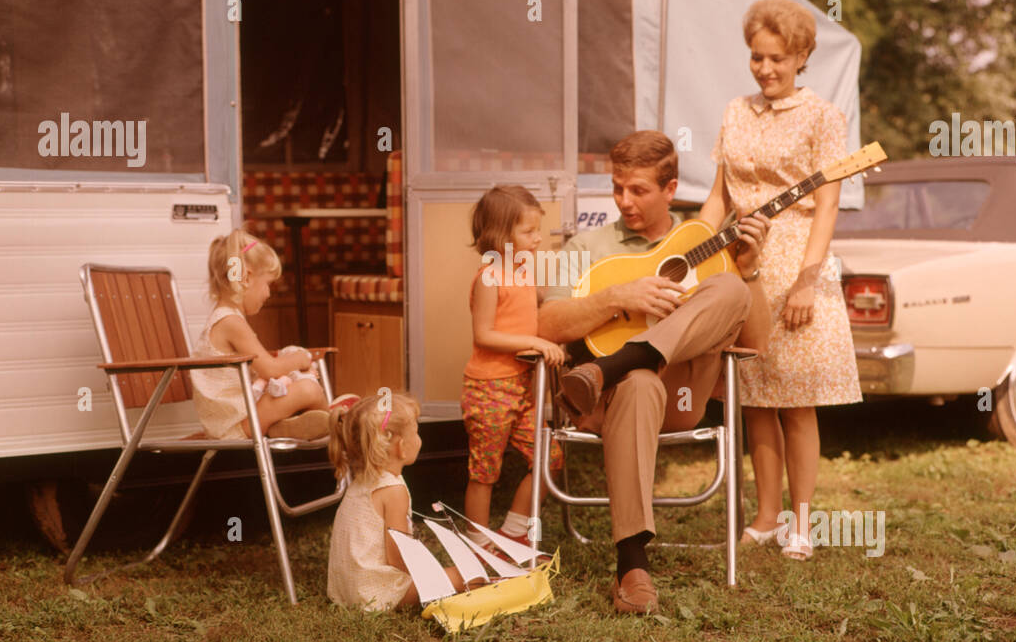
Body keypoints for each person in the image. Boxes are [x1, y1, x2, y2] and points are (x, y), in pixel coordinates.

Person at [540, 131, 771, 614]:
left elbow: (756, 343)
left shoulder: (702, 242)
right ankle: (632, 564)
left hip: (683, 395)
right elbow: (546, 323)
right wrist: (614, 298)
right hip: (611, 403)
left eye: (638, 190)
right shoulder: (590, 244)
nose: (624, 201)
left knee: (730, 288)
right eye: (617, 188)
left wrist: (749, 268)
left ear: (670, 190)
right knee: (641, 382)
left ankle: (616, 363)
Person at [699, 0, 861, 561]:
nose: (765, 69)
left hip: (795, 261)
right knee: (754, 396)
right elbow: (719, 196)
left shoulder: (822, 116)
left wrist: (805, 283)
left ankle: (802, 521)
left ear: (801, 56)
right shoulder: (735, 111)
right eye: (756, 58)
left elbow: (827, 206)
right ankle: (766, 516)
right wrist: (690, 251)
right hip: (741, 266)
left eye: (776, 59)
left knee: (797, 401)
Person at [461, 186, 567, 552]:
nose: (538, 239)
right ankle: (477, 545)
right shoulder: (490, 277)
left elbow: (536, 314)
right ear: (501, 236)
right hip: (489, 387)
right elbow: (484, 334)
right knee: (484, 472)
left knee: (550, 458)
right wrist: (534, 343)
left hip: (523, 387)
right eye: (529, 232)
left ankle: (513, 531)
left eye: (539, 230)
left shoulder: (523, 273)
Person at [327, 392, 479, 610]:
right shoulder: (393, 490)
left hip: (348, 590)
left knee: (454, 572)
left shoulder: (364, 478)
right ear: (400, 446)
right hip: (376, 594)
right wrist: (428, 578)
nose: (419, 439)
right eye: (416, 432)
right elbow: (398, 555)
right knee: (468, 574)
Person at [190, 229, 331, 441]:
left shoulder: (228, 318)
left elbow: (263, 367)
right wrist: (301, 358)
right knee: (309, 390)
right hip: (238, 426)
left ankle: (293, 426)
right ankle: (338, 425)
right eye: (268, 284)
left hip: (245, 416)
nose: (268, 293)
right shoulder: (231, 322)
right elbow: (269, 369)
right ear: (246, 278)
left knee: (294, 389)